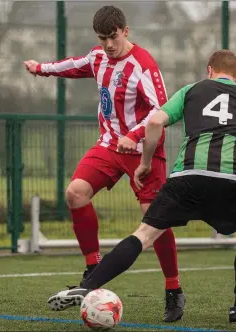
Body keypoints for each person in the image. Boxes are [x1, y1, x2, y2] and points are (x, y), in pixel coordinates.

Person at [47, 50, 236, 323]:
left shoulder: (191, 90)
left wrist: (145, 162)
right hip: (231, 180)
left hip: (186, 177)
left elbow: (155, 121)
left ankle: (89, 284)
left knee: (144, 235)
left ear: (209, 71)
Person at [23, 5, 184, 322]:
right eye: (102, 38)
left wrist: (135, 134)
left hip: (144, 151)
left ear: (125, 31)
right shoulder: (98, 57)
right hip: (109, 145)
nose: (108, 44)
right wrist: (40, 68)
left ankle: (173, 289)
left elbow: (161, 112)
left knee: (154, 220)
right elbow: (73, 66)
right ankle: (93, 269)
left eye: (113, 37)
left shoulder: (144, 66)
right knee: (75, 193)